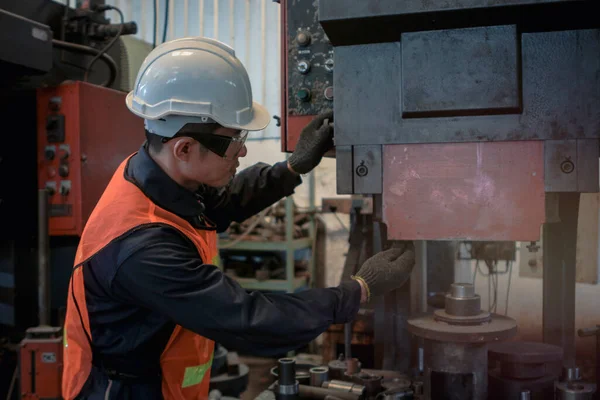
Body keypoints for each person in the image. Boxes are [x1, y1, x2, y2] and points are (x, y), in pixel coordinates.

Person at [61, 37, 415, 400]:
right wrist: (357, 291)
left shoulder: (158, 176)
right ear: (184, 147)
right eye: (234, 139)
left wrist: (292, 168)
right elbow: (248, 321)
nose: (243, 150)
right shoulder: (141, 249)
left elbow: (221, 203)